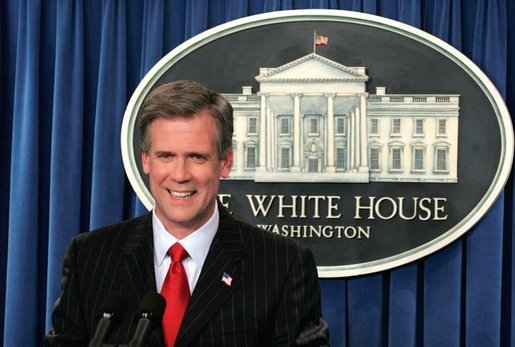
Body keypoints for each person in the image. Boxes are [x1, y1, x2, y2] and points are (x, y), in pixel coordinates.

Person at [45, 80, 329, 346]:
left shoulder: (282, 264)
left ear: (225, 162)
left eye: (197, 157)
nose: (180, 175)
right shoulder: (90, 257)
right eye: (166, 156)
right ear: (146, 160)